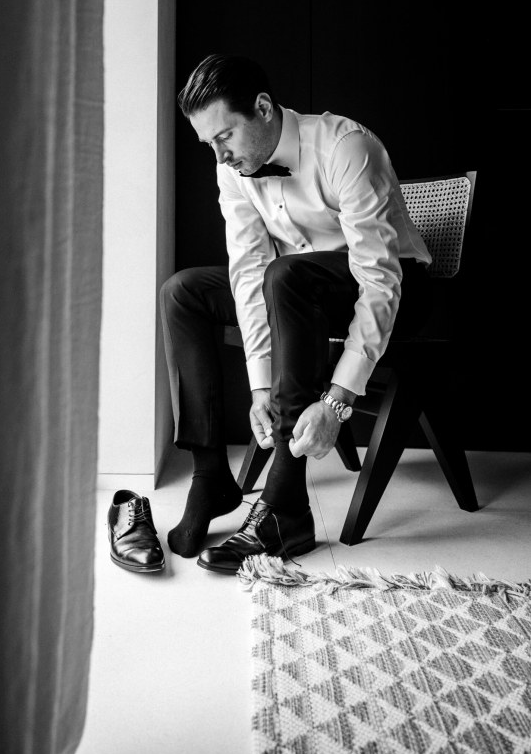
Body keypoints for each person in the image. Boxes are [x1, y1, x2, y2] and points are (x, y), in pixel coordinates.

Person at [159, 53, 434, 574]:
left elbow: (380, 281)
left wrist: (337, 401)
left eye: (225, 137)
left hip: (395, 290)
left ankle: (286, 506)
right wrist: (260, 386)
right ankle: (209, 476)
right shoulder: (233, 169)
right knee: (184, 291)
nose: (220, 155)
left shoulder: (347, 147)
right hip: (295, 294)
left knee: (286, 275)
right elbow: (248, 271)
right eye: (209, 144)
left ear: (263, 108)